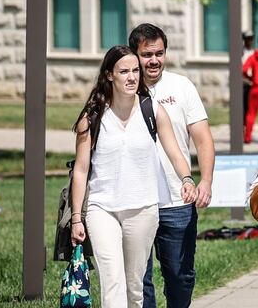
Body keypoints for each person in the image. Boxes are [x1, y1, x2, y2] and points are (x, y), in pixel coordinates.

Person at [70, 45, 195, 308]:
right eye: (124, 71)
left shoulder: (153, 111)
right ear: (109, 75)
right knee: (112, 282)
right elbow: (81, 170)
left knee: (134, 288)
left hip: (143, 209)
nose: (131, 77)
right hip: (102, 209)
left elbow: (174, 153)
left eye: (135, 70)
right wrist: (76, 218)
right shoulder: (92, 117)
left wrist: (187, 179)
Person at [128, 24, 217, 308]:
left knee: (180, 276)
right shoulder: (122, 88)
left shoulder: (181, 87)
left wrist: (205, 181)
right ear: (134, 55)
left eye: (159, 53)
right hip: (134, 200)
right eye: (146, 54)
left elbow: (203, 140)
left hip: (178, 200)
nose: (154, 60)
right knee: (138, 280)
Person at [242, 30, 255, 121]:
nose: (250, 41)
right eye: (248, 39)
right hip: (243, 81)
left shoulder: (254, 52)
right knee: (242, 105)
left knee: (249, 107)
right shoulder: (241, 52)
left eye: (251, 39)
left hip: (252, 81)